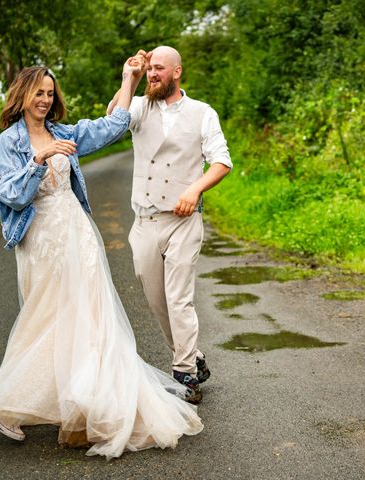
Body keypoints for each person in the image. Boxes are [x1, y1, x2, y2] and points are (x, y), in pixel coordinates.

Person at [0, 56, 203, 460]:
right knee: (43, 316)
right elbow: (6, 195)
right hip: (39, 239)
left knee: (89, 317)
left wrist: (127, 78)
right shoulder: (12, 141)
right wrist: (38, 161)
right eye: (38, 93)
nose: (44, 99)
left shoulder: (64, 131)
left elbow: (112, 127)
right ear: (22, 96)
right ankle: (10, 404)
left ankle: (84, 403)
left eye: (49, 93)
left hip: (78, 233)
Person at [107, 46, 232, 404]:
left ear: (177, 72)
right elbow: (112, 120)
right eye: (150, 70)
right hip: (145, 220)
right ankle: (195, 358)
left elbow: (221, 161)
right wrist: (127, 77)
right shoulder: (139, 107)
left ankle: (185, 374)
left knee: (179, 299)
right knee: (156, 298)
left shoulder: (202, 113)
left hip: (183, 222)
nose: (153, 74)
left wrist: (194, 189)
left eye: (159, 69)